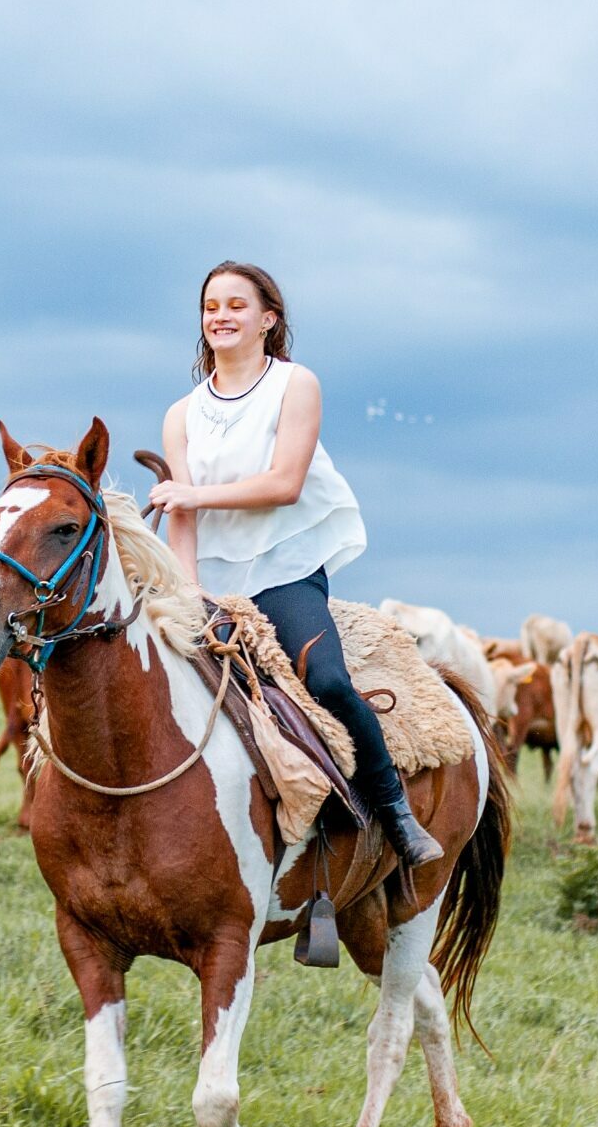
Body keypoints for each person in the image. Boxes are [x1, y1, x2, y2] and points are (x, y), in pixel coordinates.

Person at [146, 261, 442, 867]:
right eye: (210, 307)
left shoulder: (294, 384)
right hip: (213, 580)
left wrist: (192, 494)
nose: (220, 317)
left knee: (327, 680)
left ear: (268, 318)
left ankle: (395, 812)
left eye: (236, 305)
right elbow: (181, 519)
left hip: (284, 571)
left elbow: (283, 483)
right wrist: (189, 591)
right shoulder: (181, 414)